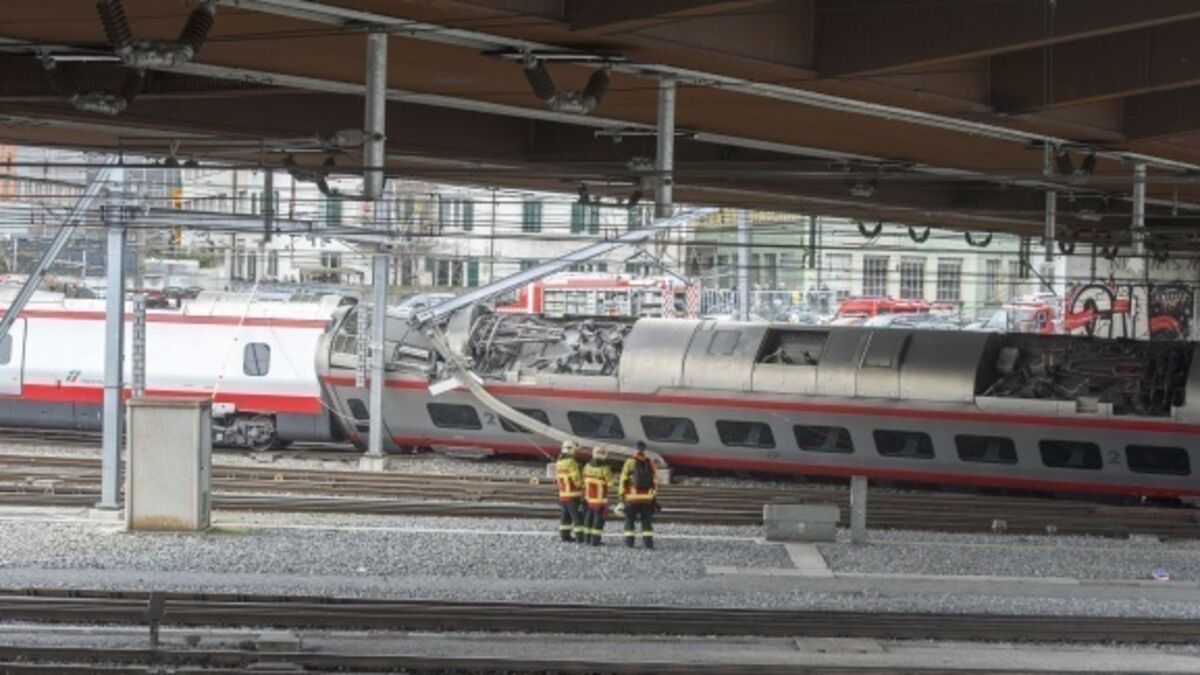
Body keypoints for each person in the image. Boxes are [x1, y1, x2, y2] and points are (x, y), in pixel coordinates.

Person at [619, 441, 658, 549]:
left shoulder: (629, 462)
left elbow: (623, 480)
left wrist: (622, 496)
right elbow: (655, 481)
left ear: (634, 449)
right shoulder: (650, 462)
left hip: (632, 498)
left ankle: (629, 542)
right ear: (644, 450)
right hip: (647, 499)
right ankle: (648, 543)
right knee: (647, 521)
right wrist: (653, 497)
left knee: (630, 520)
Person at [581, 447, 614, 546]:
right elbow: (610, 483)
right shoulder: (605, 468)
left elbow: (583, 479)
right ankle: (595, 541)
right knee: (598, 520)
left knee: (588, 518)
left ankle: (587, 539)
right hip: (600, 500)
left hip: (588, 499)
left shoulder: (587, 466)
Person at [554, 440, 584, 543]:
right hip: (573, 494)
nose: (576, 453)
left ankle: (564, 536)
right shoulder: (571, 462)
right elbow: (576, 477)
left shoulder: (559, 462)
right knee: (577, 517)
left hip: (563, 494)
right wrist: (582, 486)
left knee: (565, 517)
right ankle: (580, 537)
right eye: (575, 450)